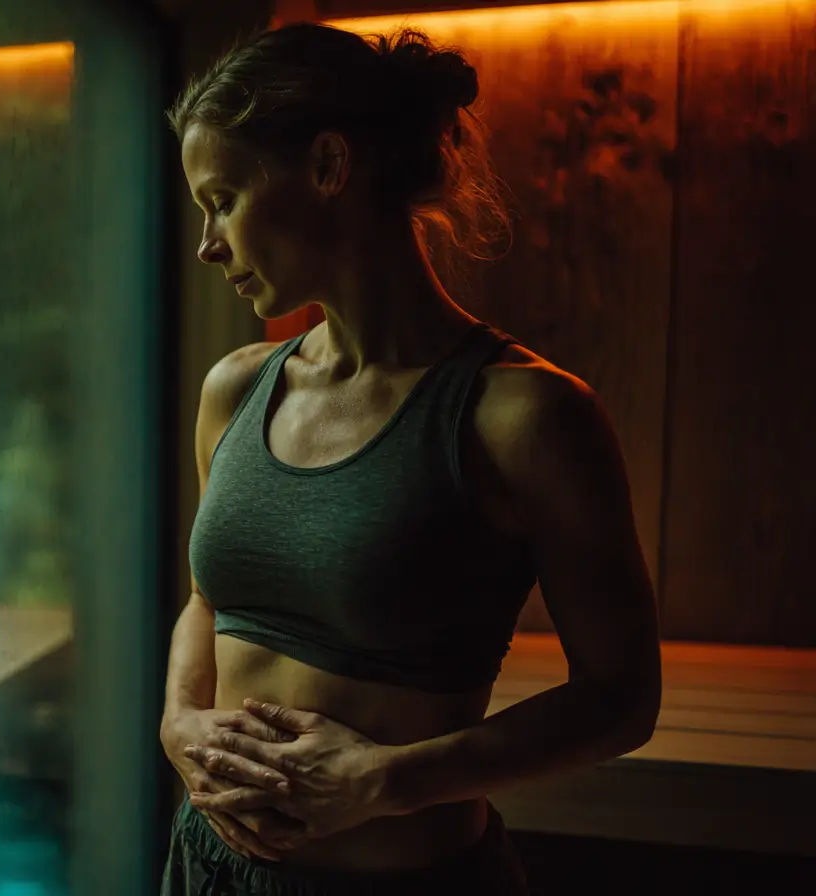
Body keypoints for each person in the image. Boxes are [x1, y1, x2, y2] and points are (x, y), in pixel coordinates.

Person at [158, 23, 662, 896]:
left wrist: (389, 781)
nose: (208, 244)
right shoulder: (236, 389)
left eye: (225, 198)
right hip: (207, 871)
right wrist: (177, 722)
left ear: (326, 166)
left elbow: (622, 698)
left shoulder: (525, 416)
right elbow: (210, 601)